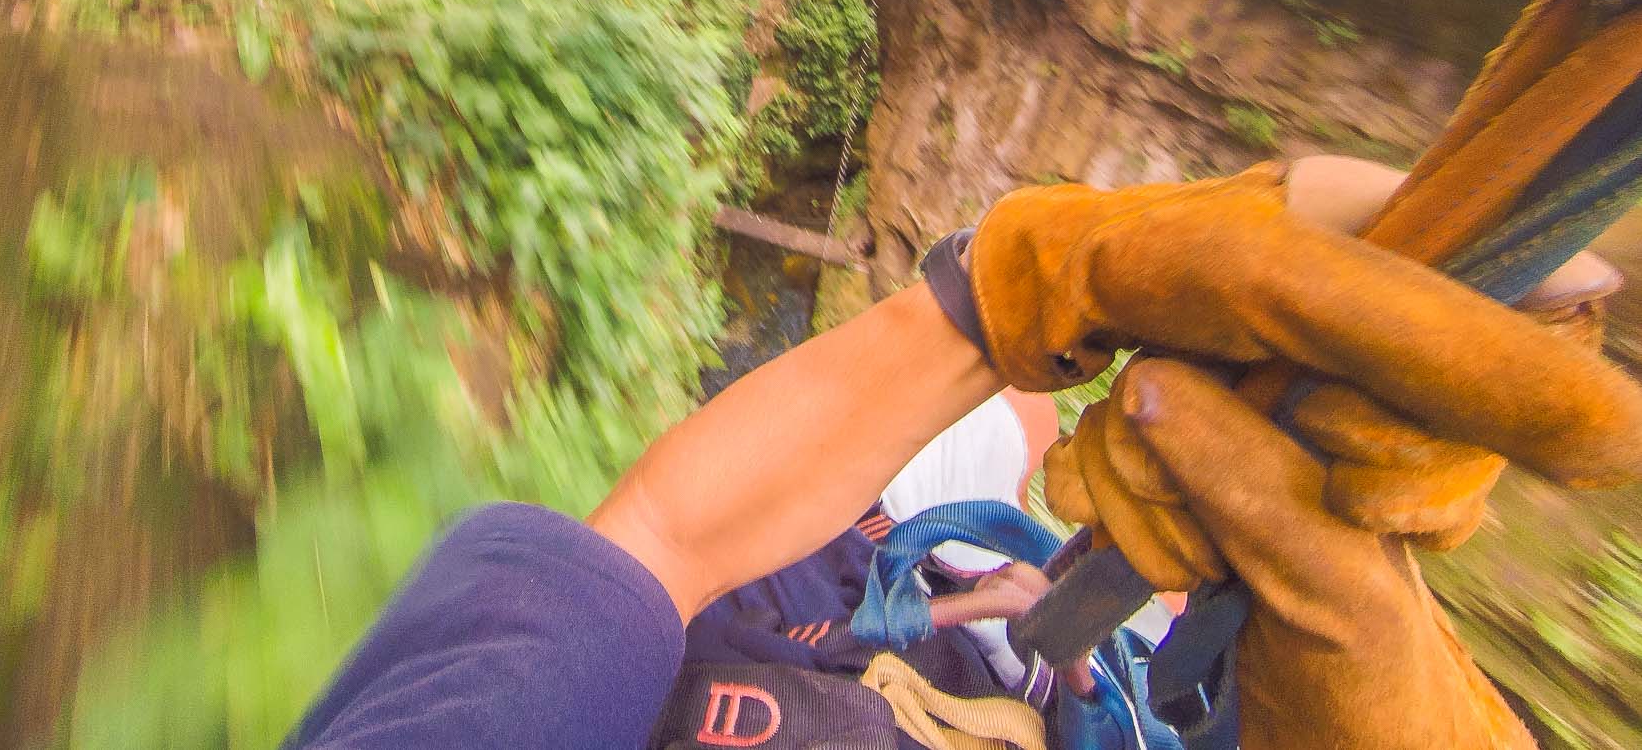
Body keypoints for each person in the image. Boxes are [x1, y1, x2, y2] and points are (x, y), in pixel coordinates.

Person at [279, 154, 1641, 750]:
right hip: (994, 649)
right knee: (1062, 483)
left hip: (824, 603)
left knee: (1025, 432)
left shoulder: (512, 712)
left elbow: (658, 542)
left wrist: (1018, 289)